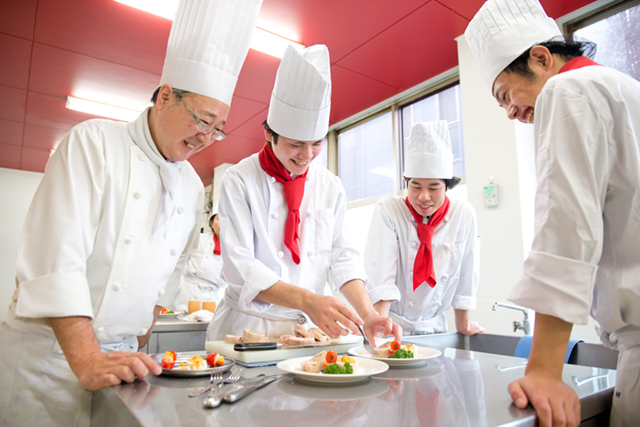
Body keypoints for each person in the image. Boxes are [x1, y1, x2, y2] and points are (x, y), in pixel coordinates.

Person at [0, 1, 262, 425]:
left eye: (217, 129)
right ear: (165, 96)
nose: (206, 137)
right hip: (49, 361)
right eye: (202, 120)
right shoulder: (93, 143)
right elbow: (55, 260)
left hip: (123, 360)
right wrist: (87, 357)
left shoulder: (191, 184)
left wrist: (140, 332)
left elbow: (174, 269)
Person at [465, 0, 640, 426]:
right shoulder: (624, 89)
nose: (510, 112)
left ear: (541, 58)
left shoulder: (569, 89)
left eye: (505, 95)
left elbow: (567, 228)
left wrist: (544, 369)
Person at [207, 44, 402, 345]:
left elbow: (343, 258)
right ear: (269, 134)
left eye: (317, 143)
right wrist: (308, 301)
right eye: (296, 144)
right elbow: (241, 268)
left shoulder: (330, 186)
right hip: (248, 327)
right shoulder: (239, 180)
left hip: (309, 331)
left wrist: (367, 314)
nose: (307, 155)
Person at [364, 121, 483, 336]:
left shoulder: (463, 213)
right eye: (415, 186)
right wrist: (378, 327)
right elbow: (381, 275)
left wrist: (463, 326)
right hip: (392, 326)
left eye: (434, 188)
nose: (423, 197)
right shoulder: (390, 209)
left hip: (435, 330)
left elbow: (467, 271)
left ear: (447, 186)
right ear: (406, 183)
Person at [169, 213, 228, 312]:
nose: (223, 222)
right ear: (211, 224)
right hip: (189, 292)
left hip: (212, 296)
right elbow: (179, 262)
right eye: (219, 219)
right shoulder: (198, 239)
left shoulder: (232, 249)